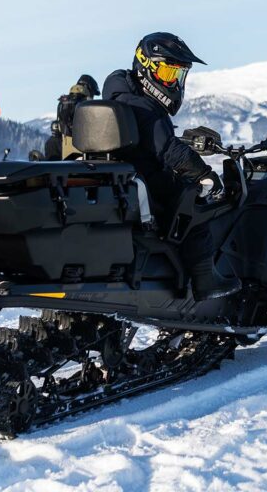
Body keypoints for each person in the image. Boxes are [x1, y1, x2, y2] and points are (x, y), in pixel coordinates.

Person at [102, 32, 239, 302]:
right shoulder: (142, 106)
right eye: (167, 72)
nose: (172, 82)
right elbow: (167, 148)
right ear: (146, 67)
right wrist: (203, 174)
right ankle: (204, 279)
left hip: (128, 175)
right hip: (146, 178)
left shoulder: (121, 95)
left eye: (177, 75)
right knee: (194, 202)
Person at [45, 74, 100, 160]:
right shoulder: (86, 103)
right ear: (89, 89)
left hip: (63, 143)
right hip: (82, 147)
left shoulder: (64, 101)